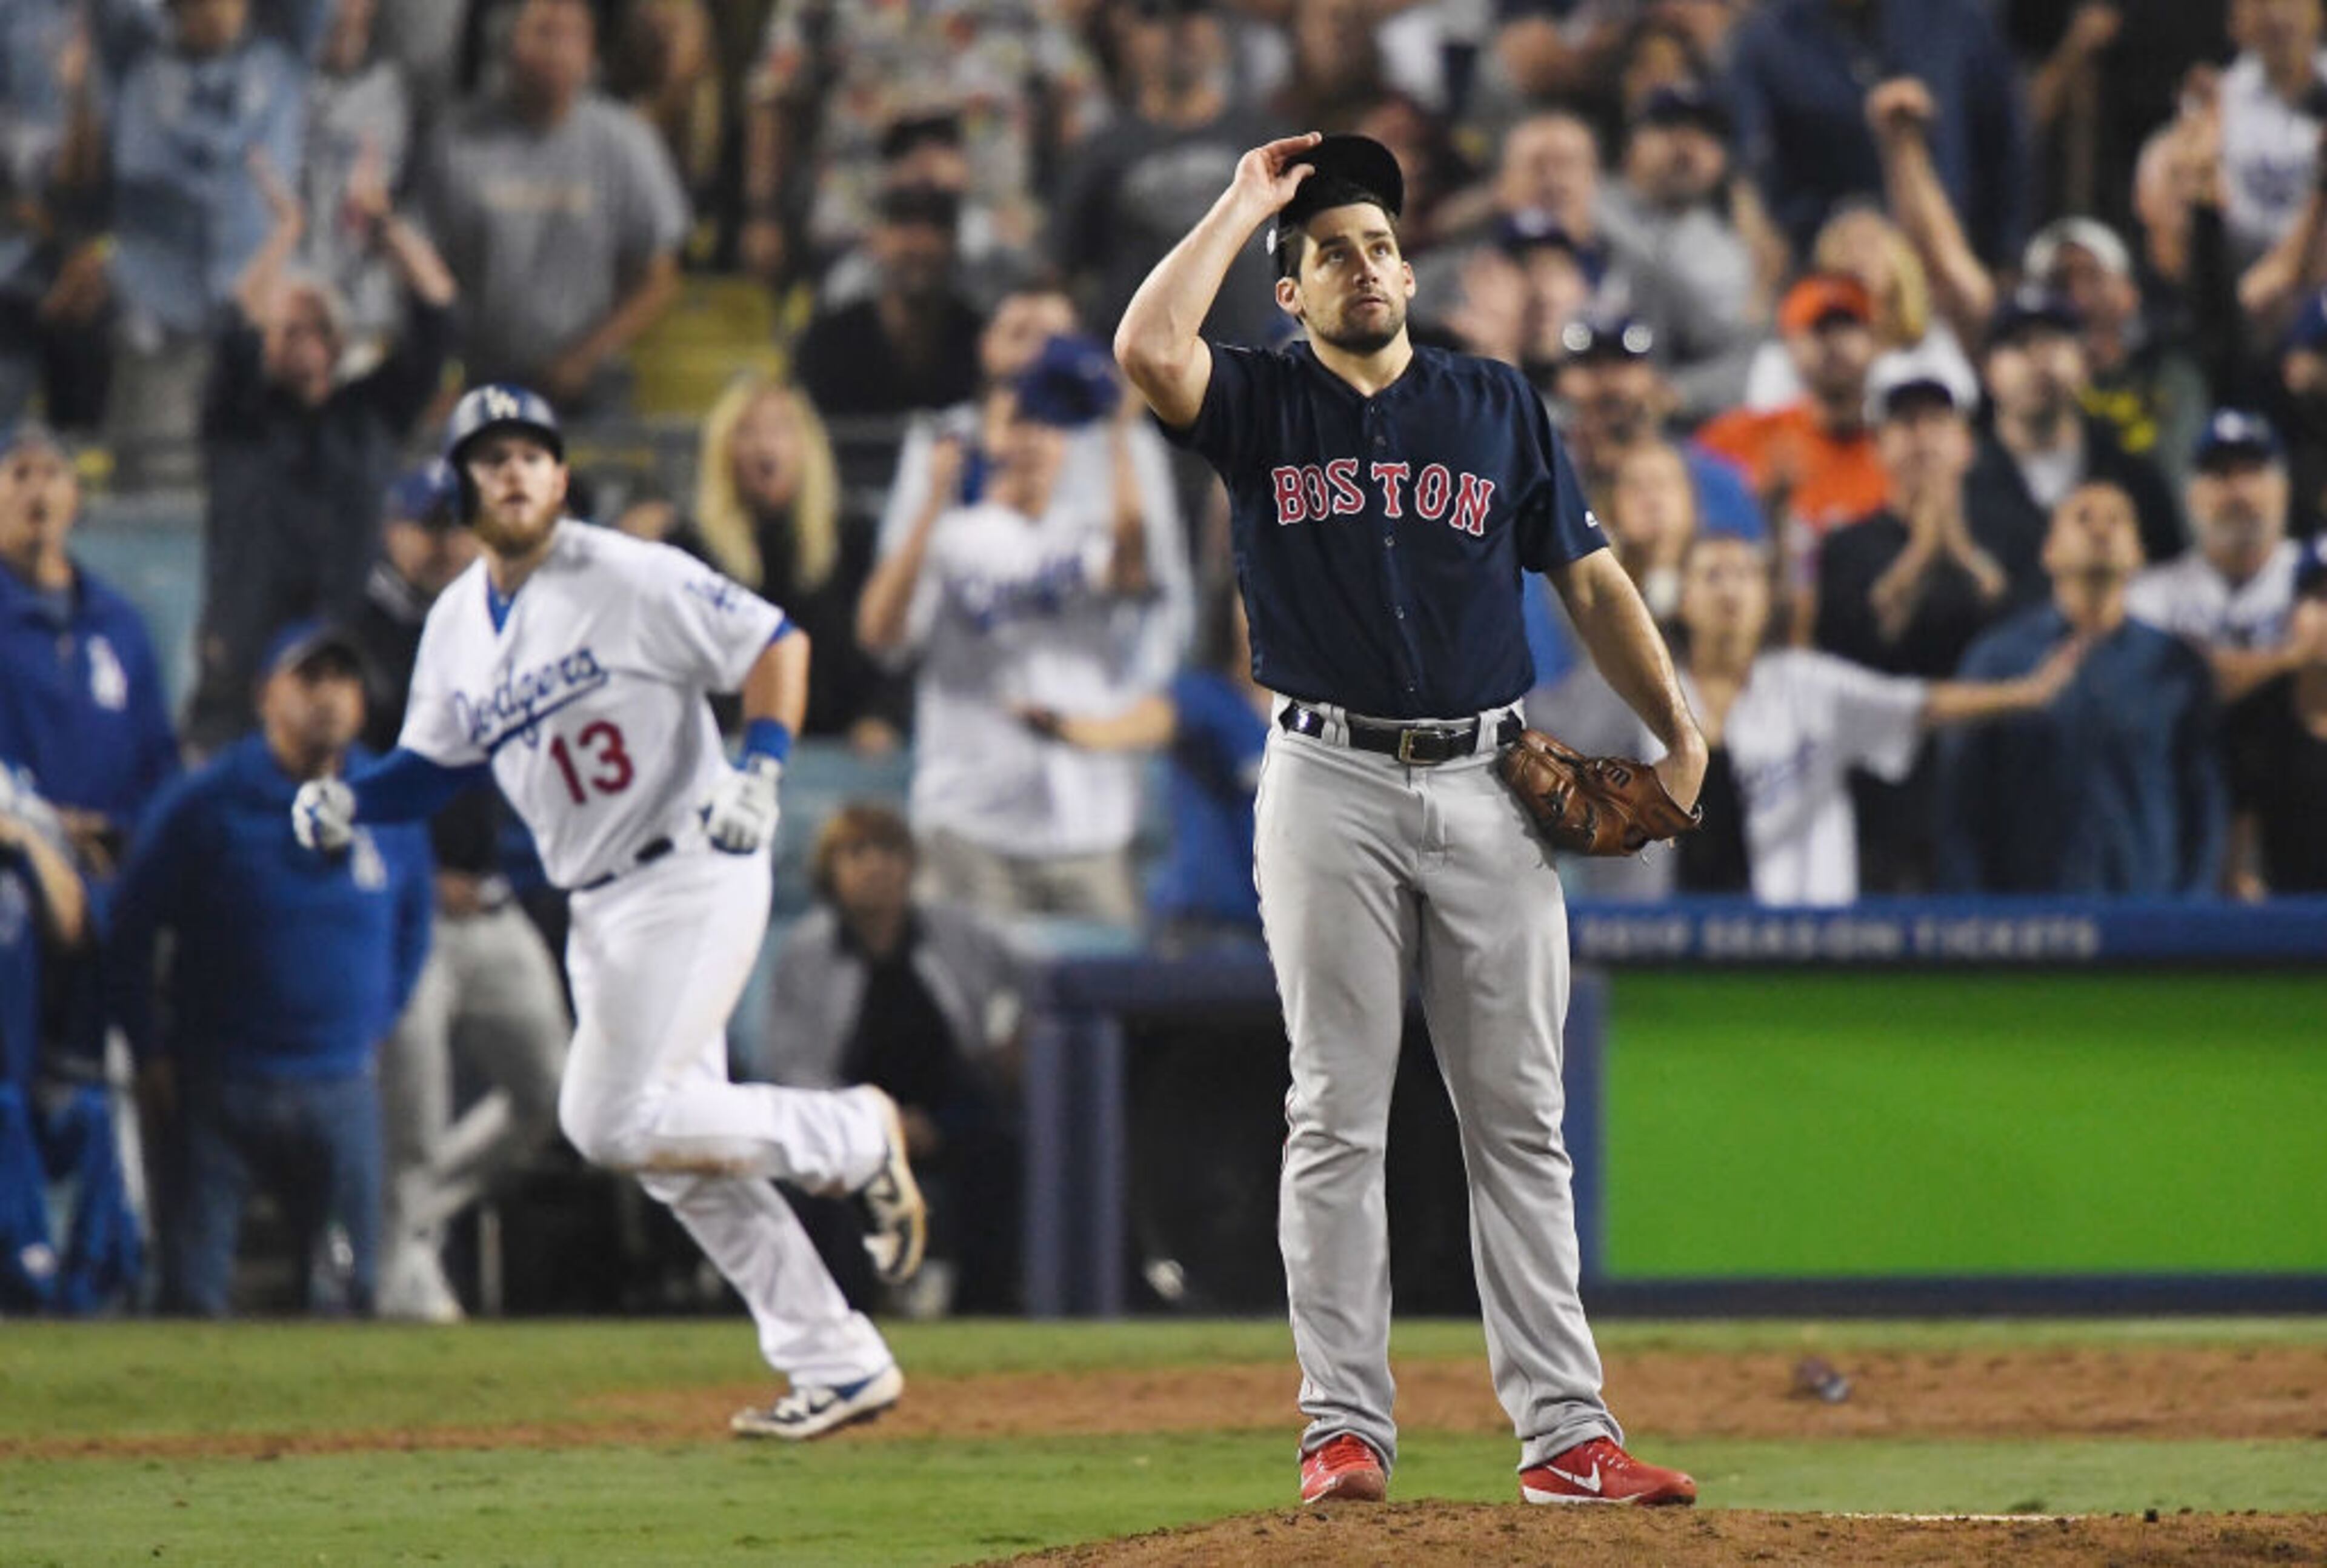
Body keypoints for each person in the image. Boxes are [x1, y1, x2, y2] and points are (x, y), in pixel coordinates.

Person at [1115, 131, 1706, 1507]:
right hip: (1325, 779)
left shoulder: (1491, 400)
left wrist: (1676, 726)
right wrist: (1241, 199)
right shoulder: (1257, 401)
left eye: (1378, 242)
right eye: (1330, 250)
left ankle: (1566, 1434)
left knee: (1515, 1111)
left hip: (1490, 779)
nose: (1364, 264)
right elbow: (1149, 350)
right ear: (1287, 287)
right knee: (1334, 1105)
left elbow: (1589, 576)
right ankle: (1341, 1425)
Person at [288, 384, 927, 1438]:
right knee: (675, 1154)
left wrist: (761, 766)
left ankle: (851, 1130)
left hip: (691, 866)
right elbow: (434, 765)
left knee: (607, 1118)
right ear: (461, 488)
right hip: (599, 904)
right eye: (491, 458)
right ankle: (837, 1356)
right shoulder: (455, 621)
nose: (514, 472)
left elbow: (777, 644)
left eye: (532, 454)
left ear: (561, 475)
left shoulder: (624, 572)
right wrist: (357, 798)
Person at [110, 623, 433, 1316]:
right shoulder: (208, 799)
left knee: (345, 1288)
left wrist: (378, 1015)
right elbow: (132, 924)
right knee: (194, 1287)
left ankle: (336, 1428)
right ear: (265, 695)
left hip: (340, 1083)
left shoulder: (391, 796)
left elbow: (415, 922)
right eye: (308, 679)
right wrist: (148, 1048)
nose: (328, 698)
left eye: (342, 680)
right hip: (222, 1083)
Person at [345, 463, 568, 1323]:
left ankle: (407, 1226)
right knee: (414, 1111)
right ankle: (405, 1269)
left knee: (555, 1096)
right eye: (425, 524)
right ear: (391, 531)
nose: (441, 541)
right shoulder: (361, 639)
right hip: (414, 915)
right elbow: (356, 781)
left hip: (496, 901)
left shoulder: (499, 622)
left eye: (454, 525)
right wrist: (411, 874)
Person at [856, 347, 1164, 923]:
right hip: (972, 826)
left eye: (1048, 425)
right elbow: (878, 631)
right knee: (968, 1007)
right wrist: (931, 498)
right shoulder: (951, 539)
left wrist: (1119, 436)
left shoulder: (1084, 538)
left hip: (1088, 824)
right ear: (988, 437)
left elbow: (1130, 569)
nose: (1033, 440)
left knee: (1112, 1003)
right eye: (1017, 423)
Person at [184, 148, 456, 751]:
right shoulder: (238, 418)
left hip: (353, 666)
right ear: (269, 341)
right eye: (291, 328)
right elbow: (233, 327)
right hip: (246, 671)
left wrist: (385, 226)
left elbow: (438, 309)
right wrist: (286, 235)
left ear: (343, 341)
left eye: (321, 326)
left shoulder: (371, 413)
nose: (308, 340)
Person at [1672, 533, 2079, 905]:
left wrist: (2024, 694)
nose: (1730, 591)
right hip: (1672, 931)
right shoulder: (1652, 696)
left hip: (1809, 930)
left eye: (1745, 576)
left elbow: (1918, 703)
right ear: (1683, 599)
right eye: (1712, 576)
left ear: (1766, 597)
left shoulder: (1808, 684)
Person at [755, 805, 1027, 1318]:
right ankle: (838, 1315)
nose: (876, 867)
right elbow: (793, 1066)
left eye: (890, 852)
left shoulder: (956, 933)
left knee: (1002, 1152)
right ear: (830, 870)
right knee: (817, 1179)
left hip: (948, 1114)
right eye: (858, 853)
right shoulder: (805, 954)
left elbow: (1040, 981)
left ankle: (988, 1308)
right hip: (847, 1121)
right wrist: (880, 1124)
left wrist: (1016, 1035)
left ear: (910, 865)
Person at [1937, 482, 2226, 895]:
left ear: (2139, 553)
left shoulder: (2176, 668)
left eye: (2117, 520)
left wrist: (2192, 912)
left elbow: (2204, 807)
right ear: (2049, 550)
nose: (2101, 530)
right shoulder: (1998, 662)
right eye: (2083, 518)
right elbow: (1962, 807)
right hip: (2030, 927)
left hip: (2149, 927)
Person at [93, 0, 328, 487]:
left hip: (258, 330)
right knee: (151, 503)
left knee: (264, 494)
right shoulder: (134, 60)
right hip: (158, 331)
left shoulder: (282, 58)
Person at [420, 0, 688, 408]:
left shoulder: (626, 140)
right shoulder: (457, 141)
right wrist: (437, 365)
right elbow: (424, 262)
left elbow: (661, 276)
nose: (558, 51)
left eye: (572, 37)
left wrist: (583, 357)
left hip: (592, 378)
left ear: (592, 53)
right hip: (482, 373)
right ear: (507, 43)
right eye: (544, 33)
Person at [1022, 596, 1273, 943]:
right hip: (1206, 931)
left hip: (1281, 934)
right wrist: (1063, 727)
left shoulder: (1315, 714)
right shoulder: (1206, 698)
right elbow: (1137, 726)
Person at [0, 422, 179, 878]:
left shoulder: (120, 623)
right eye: (20, 474)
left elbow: (159, 762)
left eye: (52, 473)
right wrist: (35, 824)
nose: (37, 491)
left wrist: (120, 829)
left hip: (108, 875)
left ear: (75, 496)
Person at [1725, 0, 2029, 265]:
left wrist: (2005, 255)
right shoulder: (1771, 36)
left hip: (1948, 261)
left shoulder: (1955, 19)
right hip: (1824, 272)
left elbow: (2003, 145)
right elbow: (1751, 164)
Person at [689, 374, 905, 748]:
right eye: (747, 431)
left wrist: (879, 717)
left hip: (840, 751)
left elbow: (885, 651)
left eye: (780, 429)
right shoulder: (693, 548)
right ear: (724, 449)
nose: (764, 444)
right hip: (726, 753)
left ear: (808, 446)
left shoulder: (854, 539)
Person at [1964, 285, 2186, 604]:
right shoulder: (1967, 487)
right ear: (1986, 371)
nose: (2039, 358)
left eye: (2053, 340)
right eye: (2019, 344)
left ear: (2085, 360)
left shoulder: (2133, 475)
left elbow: (2171, 581)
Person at [1699, 272, 1888, 536]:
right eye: (1818, 330)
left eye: (1848, 326)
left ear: (1876, 341)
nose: (1834, 342)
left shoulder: (1900, 446)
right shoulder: (1739, 437)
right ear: (1789, 347)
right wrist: (1762, 504)